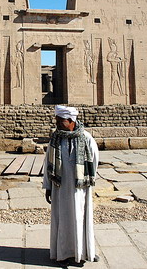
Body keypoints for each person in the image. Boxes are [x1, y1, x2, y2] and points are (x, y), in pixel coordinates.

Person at [43, 105, 100, 267]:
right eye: (57, 120)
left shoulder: (86, 138)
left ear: (71, 121)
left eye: (61, 121)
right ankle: (63, 253)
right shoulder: (56, 138)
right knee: (63, 219)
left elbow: (94, 162)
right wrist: (48, 186)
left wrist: (86, 181)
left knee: (80, 218)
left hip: (79, 189)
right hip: (60, 188)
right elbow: (48, 162)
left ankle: (83, 252)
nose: (58, 124)